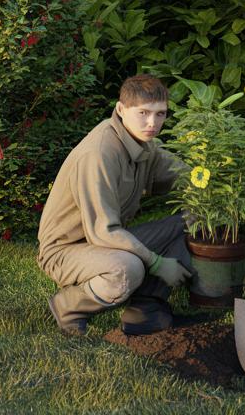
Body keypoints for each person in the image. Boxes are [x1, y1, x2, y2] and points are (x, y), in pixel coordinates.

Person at [37, 74, 194, 336]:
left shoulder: (144, 144)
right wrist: (155, 263)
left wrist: (214, 190)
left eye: (160, 114)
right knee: (127, 268)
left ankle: (145, 310)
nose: (152, 123)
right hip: (67, 249)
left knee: (185, 226)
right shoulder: (99, 153)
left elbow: (182, 175)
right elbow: (103, 231)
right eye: (143, 112)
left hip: (103, 240)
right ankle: (69, 306)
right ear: (121, 110)